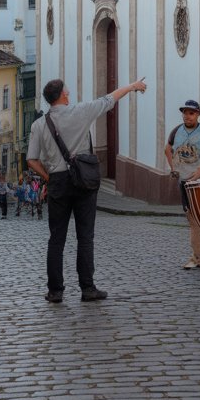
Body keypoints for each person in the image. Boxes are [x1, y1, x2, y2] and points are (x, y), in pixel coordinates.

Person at [27, 75, 147, 303]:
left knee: (56, 239)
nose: (69, 93)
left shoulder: (39, 125)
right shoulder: (81, 112)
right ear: (63, 95)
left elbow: (31, 160)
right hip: (83, 180)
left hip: (58, 183)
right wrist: (132, 86)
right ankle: (87, 288)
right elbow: (110, 99)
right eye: (67, 91)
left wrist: (48, 178)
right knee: (85, 237)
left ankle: (55, 291)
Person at [165, 99, 200, 270]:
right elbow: (167, 148)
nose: (187, 116)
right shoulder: (176, 131)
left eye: (191, 113)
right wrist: (174, 168)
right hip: (185, 183)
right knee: (192, 219)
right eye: (185, 113)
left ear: (198, 114)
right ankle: (198, 258)